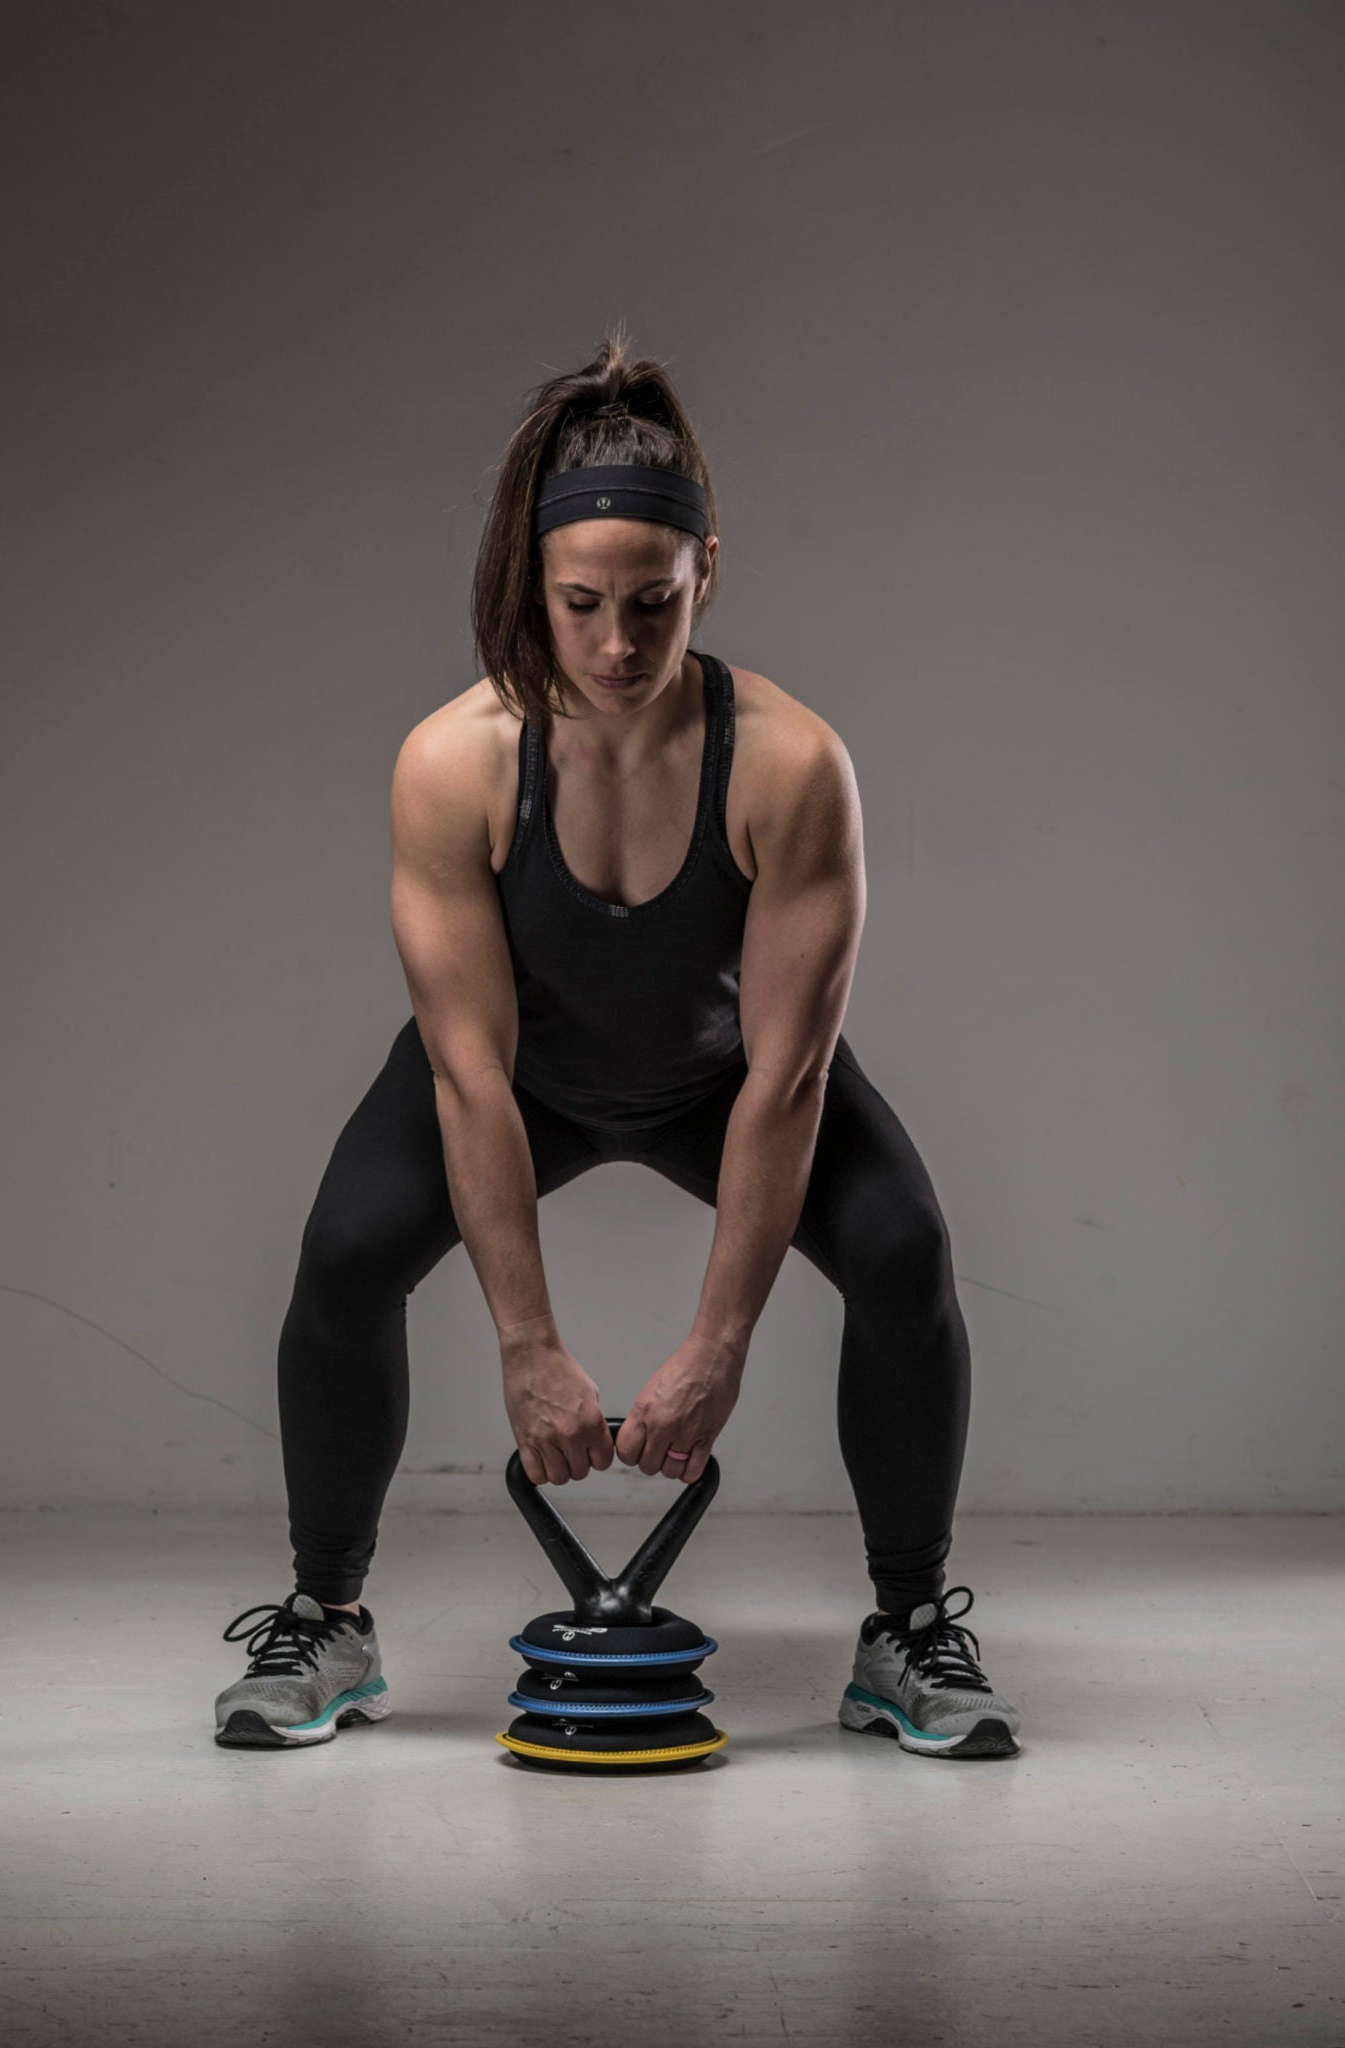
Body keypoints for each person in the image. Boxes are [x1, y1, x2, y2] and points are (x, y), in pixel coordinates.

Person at [214, 329, 1022, 1761]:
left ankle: (907, 1632)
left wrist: (718, 1345)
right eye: (581, 604)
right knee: (342, 1258)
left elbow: (787, 1073)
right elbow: (467, 1071)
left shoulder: (786, 763)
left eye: (654, 604)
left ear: (710, 570)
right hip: (515, 1076)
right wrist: (527, 1347)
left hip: (724, 1079)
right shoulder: (453, 762)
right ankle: (324, 1617)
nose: (617, 645)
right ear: (534, 583)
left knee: (904, 1252)